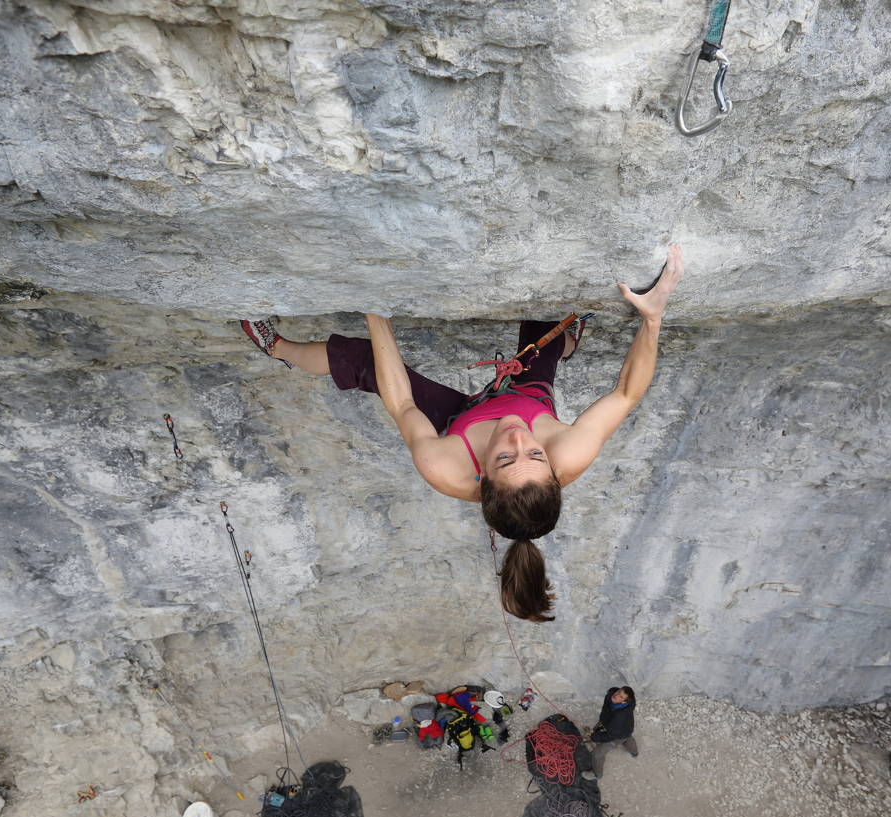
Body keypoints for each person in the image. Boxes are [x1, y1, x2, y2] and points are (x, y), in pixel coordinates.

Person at [240, 245, 684, 622]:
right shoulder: (570, 452)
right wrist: (652, 318)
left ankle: (277, 348)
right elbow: (626, 393)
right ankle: (566, 342)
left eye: (505, 460)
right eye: (534, 454)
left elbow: (402, 403)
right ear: (554, 467)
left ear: (481, 477)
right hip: (523, 396)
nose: (517, 441)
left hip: (461, 420)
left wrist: (376, 311)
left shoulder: (445, 466)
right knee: (544, 331)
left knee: (366, 361)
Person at [585, 686, 637, 781]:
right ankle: (634, 752)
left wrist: (594, 737)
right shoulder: (610, 696)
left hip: (619, 734)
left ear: (624, 702)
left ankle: (597, 774)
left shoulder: (620, 716)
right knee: (628, 737)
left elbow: (611, 736)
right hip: (623, 727)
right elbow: (607, 709)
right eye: (618, 691)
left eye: (621, 697)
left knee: (597, 754)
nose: (616, 695)